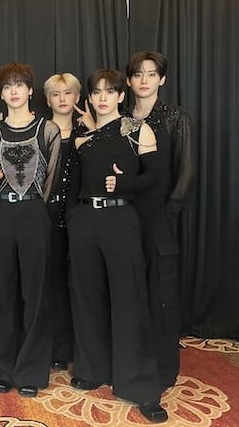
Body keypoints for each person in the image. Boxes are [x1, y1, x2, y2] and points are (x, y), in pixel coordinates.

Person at [66, 68, 167, 423]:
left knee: (129, 300)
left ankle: (140, 385)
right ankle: (91, 369)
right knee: (86, 296)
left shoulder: (137, 130)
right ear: (90, 97)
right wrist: (72, 222)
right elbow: (72, 186)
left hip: (120, 220)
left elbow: (157, 176)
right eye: (97, 92)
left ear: (122, 96)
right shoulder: (81, 139)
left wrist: (124, 185)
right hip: (84, 221)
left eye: (110, 91)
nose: (103, 98)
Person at [0, 62, 61, 398]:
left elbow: (51, 181)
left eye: (19, 85)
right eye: (7, 86)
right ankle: (1, 367)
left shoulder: (48, 130)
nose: (13, 91)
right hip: (0, 212)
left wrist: (38, 212)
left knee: (35, 292)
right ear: (1, 93)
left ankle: (31, 370)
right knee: (1, 290)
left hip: (33, 212)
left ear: (30, 90)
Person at [125, 51, 193, 390]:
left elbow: (186, 170)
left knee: (160, 291)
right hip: (123, 214)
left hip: (159, 215)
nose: (144, 80)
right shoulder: (122, 118)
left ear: (162, 79)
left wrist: (169, 213)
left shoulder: (175, 117)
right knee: (129, 288)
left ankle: (163, 368)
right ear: (128, 80)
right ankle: (128, 361)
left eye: (151, 74)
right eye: (138, 74)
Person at [42, 72, 86, 371]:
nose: (62, 99)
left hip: (78, 215)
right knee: (48, 281)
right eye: (55, 94)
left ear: (77, 97)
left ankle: (72, 346)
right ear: (47, 100)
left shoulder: (88, 130)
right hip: (44, 214)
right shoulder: (40, 131)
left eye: (67, 93)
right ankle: (51, 345)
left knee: (76, 282)